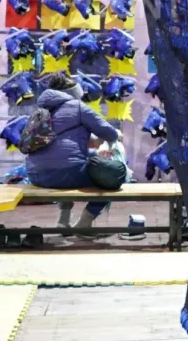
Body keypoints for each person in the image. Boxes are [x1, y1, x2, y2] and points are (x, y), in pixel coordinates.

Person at [25, 73, 124, 234]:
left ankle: (63, 221)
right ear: (74, 93)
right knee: (113, 176)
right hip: (67, 174)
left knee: (69, 163)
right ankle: (85, 222)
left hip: (35, 175)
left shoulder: (40, 110)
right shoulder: (77, 107)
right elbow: (108, 132)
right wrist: (117, 134)